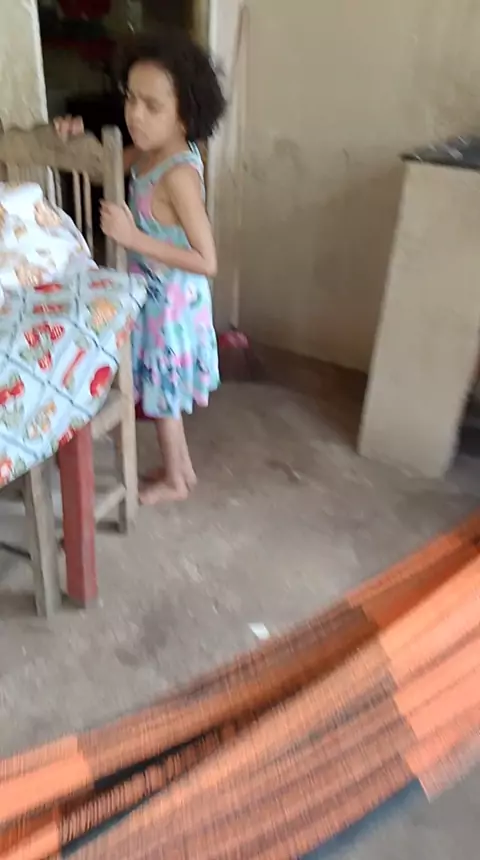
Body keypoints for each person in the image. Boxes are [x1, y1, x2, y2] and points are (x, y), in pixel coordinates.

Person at [56, 29, 226, 505]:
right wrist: (75, 137)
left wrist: (134, 239)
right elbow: (105, 162)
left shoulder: (178, 174)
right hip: (151, 295)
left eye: (152, 106)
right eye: (131, 99)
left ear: (185, 114)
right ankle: (182, 469)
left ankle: (175, 480)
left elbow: (207, 260)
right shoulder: (150, 152)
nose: (134, 114)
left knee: (163, 395)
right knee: (160, 390)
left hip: (170, 303)